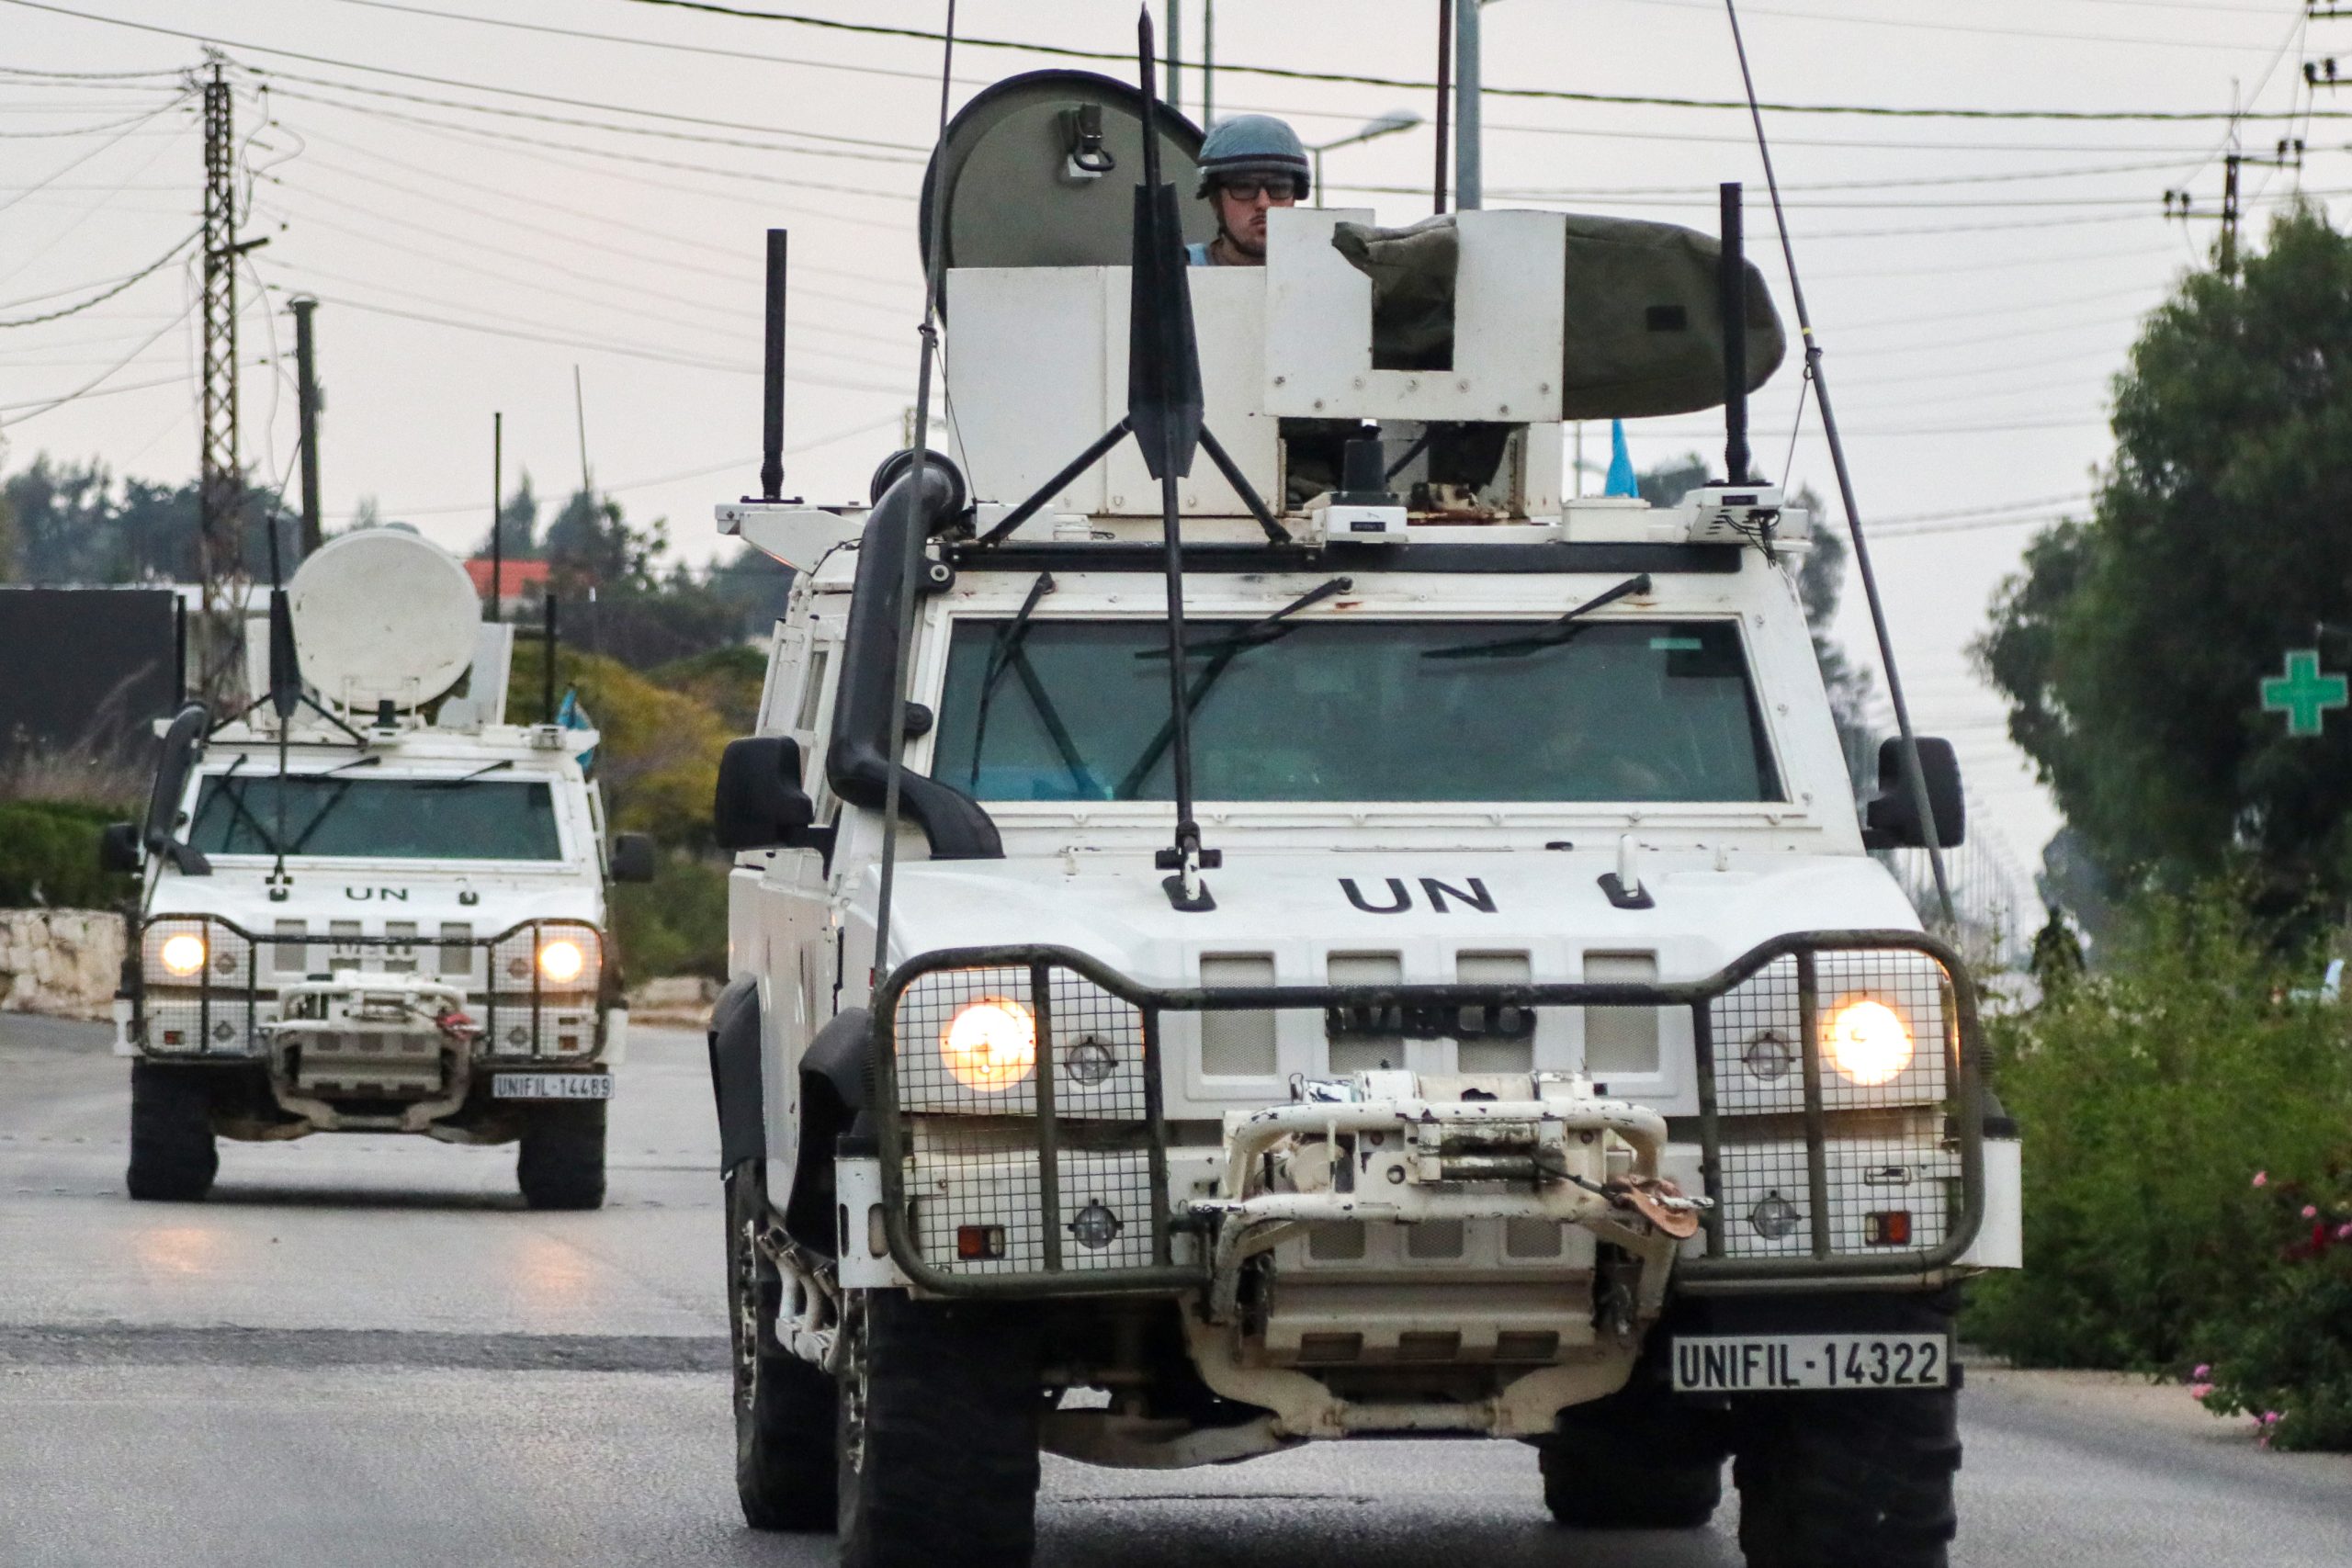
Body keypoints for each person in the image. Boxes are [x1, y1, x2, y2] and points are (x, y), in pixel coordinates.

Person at [1188, 115, 1308, 267]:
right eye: (1243, 187)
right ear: (1215, 201)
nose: (1263, 203)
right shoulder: (1175, 273)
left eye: (1278, 187)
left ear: (1294, 198)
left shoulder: (1324, 275)